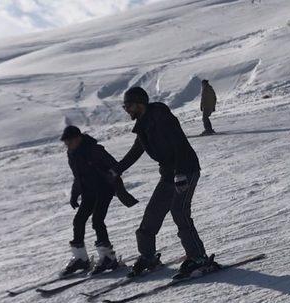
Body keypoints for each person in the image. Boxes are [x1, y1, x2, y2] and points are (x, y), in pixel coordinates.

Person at [110, 87, 210, 279]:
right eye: (125, 107)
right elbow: (137, 150)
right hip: (167, 175)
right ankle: (148, 256)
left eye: (128, 106)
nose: (127, 110)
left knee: (179, 211)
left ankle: (199, 257)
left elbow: (179, 144)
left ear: (140, 103)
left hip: (186, 170)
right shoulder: (143, 124)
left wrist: (180, 173)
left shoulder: (162, 117)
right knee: (153, 214)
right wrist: (118, 168)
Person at [60, 125, 138, 276]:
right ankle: (81, 259)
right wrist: (74, 194)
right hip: (88, 192)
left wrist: (110, 176)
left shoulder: (94, 149)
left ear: (78, 138)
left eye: (69, 141)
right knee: (79, 220)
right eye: (66, 143)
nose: (67, 145)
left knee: (97, 220)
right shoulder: (72, 154)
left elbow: (115, 165)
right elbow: (78, 177)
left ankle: (108, 258)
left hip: (104, 189)